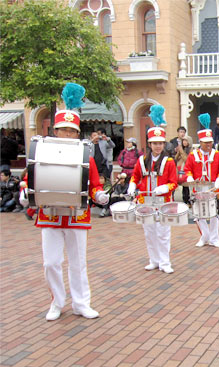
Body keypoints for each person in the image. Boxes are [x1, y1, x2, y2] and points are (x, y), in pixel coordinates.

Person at [20, 85, 109, 321]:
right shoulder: (42, 152)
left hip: (77, 215)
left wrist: (99, 195)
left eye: (72, 130)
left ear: (77, 132)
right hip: (49, 213)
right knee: (51, 263)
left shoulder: (85, 156)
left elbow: (93, 184)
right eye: (63, 130)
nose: (68, 134)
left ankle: (81, 303)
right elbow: (31, 177)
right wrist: (25, 193)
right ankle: (57, 302)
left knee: (78, 263)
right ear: (55, 131)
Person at [128, 123, 178, 273]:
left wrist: (165, 188)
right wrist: (131, 185)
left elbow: (174, 183)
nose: (158, 146)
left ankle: (165, 262)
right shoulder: (142, 160)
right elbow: (135, 177)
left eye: (160, 143)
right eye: (155, 143)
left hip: (163, 203)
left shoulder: (169, 162)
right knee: (149, 233)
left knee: (163, 234)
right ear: (149, 144)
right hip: (146, 202)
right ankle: (154, 260)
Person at [182, 119, 219, 248]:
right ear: (200, 142)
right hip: (198, 189)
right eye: (206, 143)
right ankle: (204, 236)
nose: (209, 145)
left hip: (212, 189)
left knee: (213, 214)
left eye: (210, 142)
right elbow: (187, 169)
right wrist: (190, 179)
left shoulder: (217, 154)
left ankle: (214, 238)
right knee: (199, 214)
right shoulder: (193, 155)